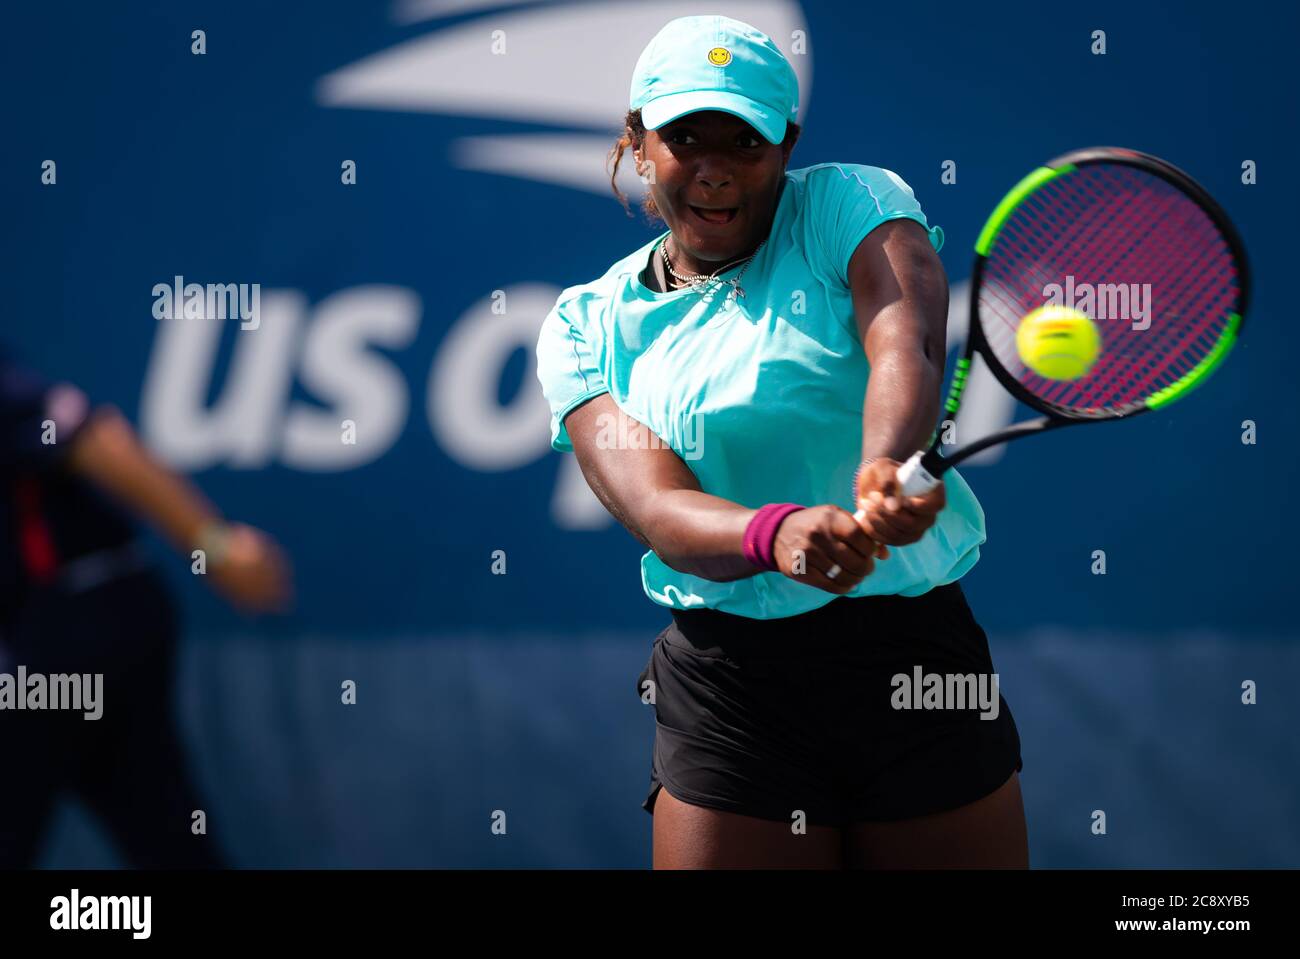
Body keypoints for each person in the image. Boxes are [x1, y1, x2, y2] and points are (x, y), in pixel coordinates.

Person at [535, 15, 1027, 869]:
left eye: (746, 142)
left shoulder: (851, 203)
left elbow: (901, 337)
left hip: (916, 665)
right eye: (686, 137)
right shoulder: (585, 326)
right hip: (732, 692)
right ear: (637, 142)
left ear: (787, 144)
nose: (715, 168)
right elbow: (657, 508)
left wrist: (884, 463)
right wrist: (777, 535)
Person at [0, 351, 291, 867]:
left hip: (73, 627)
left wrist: (214, 547)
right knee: (164, 833)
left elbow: (94, 438)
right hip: (91, 626)